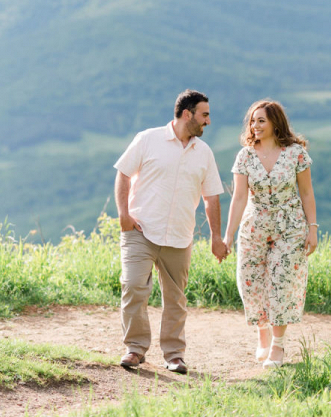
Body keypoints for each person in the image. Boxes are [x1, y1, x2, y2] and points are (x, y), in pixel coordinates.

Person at [114, 89, 227, 375]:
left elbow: (212, 197)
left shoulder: (204, 153)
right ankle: (135, 349)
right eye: (205, 115)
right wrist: (124, 216)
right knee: (133, 286)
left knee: (175, 298)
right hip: (140, 229)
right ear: (187, 114)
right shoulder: (148, 139)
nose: (208, 121)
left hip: (179, 236)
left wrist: (216, 237)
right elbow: (124, 174)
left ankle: (174, 355)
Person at [224, 99, 317, 368]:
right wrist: (228, 235)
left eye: (261, 120)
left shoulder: (296, 153)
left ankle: (278, 346)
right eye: (252, 121)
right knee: (250, 280)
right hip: (254, 225)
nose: (255, 125)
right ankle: (262, 333)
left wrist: (313, 229)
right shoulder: (245, 155)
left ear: (275, 122)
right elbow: (239, 198)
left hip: (290, 225)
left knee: (281, 282)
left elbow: (307, 193)